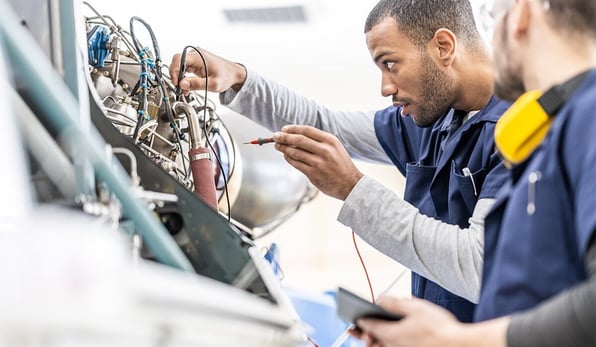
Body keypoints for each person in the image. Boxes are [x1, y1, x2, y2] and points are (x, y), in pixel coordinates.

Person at [170, 0, 511, 322]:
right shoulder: (437, 120)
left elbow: (477, 266)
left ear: (443, 47)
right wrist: (240, 79)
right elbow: (326, 125)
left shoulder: (523, 129)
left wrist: (352, 187)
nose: (385, 87)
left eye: (390, 64)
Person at [353, 0, 596, 345]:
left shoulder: (589, 118)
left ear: (522, 12)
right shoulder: (556, 128)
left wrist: (454, 339)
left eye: (491, 16)